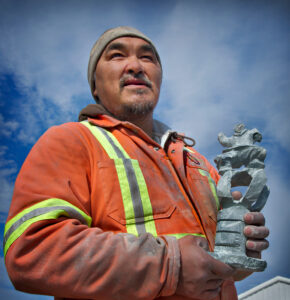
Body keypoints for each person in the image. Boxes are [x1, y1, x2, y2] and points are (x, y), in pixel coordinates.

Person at [4, 26, 269, 300]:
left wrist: (240, 248)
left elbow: (216, 262)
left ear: (159, 77)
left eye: (147, 58)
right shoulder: (71, 140)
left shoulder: (199, 163)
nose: (135, 66)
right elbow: (33, 249)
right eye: (117, 56)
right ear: (95, 85)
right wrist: (170, 267)